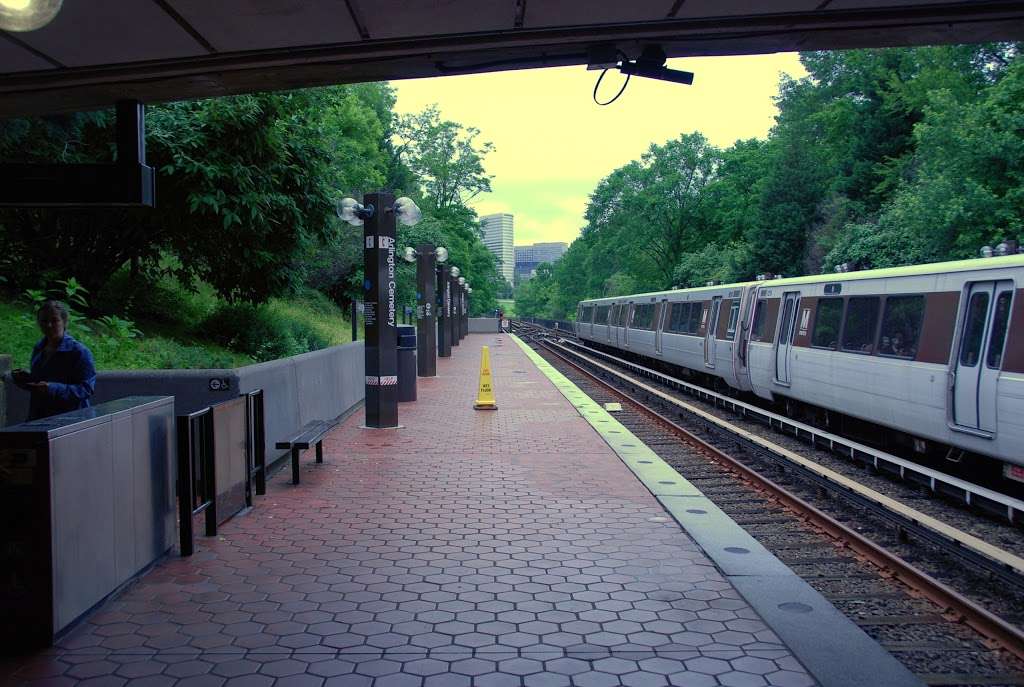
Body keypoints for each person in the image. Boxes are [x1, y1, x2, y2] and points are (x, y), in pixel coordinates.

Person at [11, 300, 96, 421]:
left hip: (69, 420)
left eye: (54, 320)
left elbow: (86, 389)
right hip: (39, 417)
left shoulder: (79, 352)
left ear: (65, 322)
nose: (49, 325)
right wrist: (26, 379)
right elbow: (42, 381)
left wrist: (51, 388)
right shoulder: (39, 348)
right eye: (44, 321)